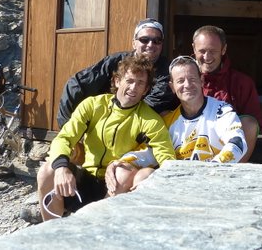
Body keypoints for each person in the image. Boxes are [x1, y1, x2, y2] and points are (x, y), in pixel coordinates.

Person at [36, 55, 175, 221]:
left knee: (123, 173)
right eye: (129, 80)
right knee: (47, 171)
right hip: (84, 178)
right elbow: (65, 137)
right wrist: (61, 168)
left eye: (140, 83)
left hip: (115, 185)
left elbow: (166, 156)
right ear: (117, 81)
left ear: (145, 90)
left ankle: (97, 226)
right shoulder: (93, 105)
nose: (133, 87)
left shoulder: (150, 120)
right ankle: (51, 232)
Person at [57, 18, 178, 127]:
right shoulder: (115, 61)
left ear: (162, 45)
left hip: (139, 129)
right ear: (134, 43)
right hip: (104, 124)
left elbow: (150, 105)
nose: (150, 44)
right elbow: (76, 84)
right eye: (144, 40)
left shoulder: (167, 70)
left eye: (157, 40)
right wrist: (67, 129)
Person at [191, 25, 262, 162]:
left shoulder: (242, 82)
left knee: (250, 123)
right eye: (202, 51)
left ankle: (234, 171)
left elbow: (252, 125)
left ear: (223, 50)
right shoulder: (183, 81)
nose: (207, 57)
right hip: (190, 144)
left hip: (228, 147)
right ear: (194, 48)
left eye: (213, 51)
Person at [164, 55, 247, 162]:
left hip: (216, 175)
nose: (187, 85)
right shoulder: (168, 122)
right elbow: (151, 154)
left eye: (192, 79)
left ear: (201, 81)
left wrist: (216, 165)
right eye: (180, 81)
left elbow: (238, 141)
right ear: (172, 87)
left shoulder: (222, 111)